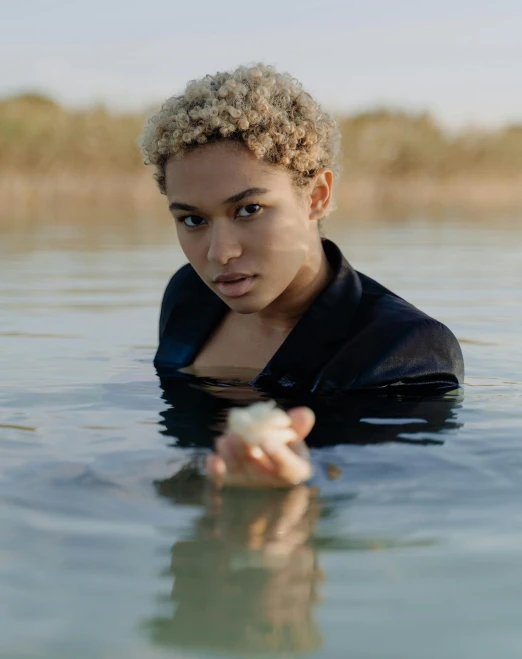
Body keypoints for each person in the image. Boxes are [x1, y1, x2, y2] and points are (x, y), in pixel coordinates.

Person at [139, 63, 464, 488]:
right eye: (193, 220)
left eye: (249, 210)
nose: (220, 253)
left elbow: (388, 494)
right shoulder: (189, 294)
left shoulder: (404, 351)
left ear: (317, 197)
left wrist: (303, 491)